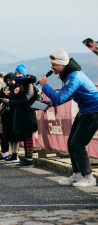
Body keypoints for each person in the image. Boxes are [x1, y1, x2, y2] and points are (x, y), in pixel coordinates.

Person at [39, 48, 98, 187]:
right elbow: (68, 96)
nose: (51, 67)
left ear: (63, 64)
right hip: (85, 110)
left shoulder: (74, 77)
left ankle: (90, 178)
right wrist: (51, 101)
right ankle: (77, 175)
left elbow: (60, 98)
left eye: (54, 64)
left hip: (93, 112)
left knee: (78, 144)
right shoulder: (69, 74)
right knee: (71, 143)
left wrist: (45, 86)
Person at [2, 64, 38, 166]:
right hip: (22, 114)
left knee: (28, 137)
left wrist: (12, 101)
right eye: (16, 73)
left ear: (23, 73)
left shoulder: (28, 84)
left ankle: (29, 159)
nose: (17, 75)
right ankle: (27, 158)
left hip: (28, 114)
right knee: (26, 138)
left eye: (19, 73)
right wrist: (14, 94)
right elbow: (13, 97)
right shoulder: (18, 85)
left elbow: (27, 98)